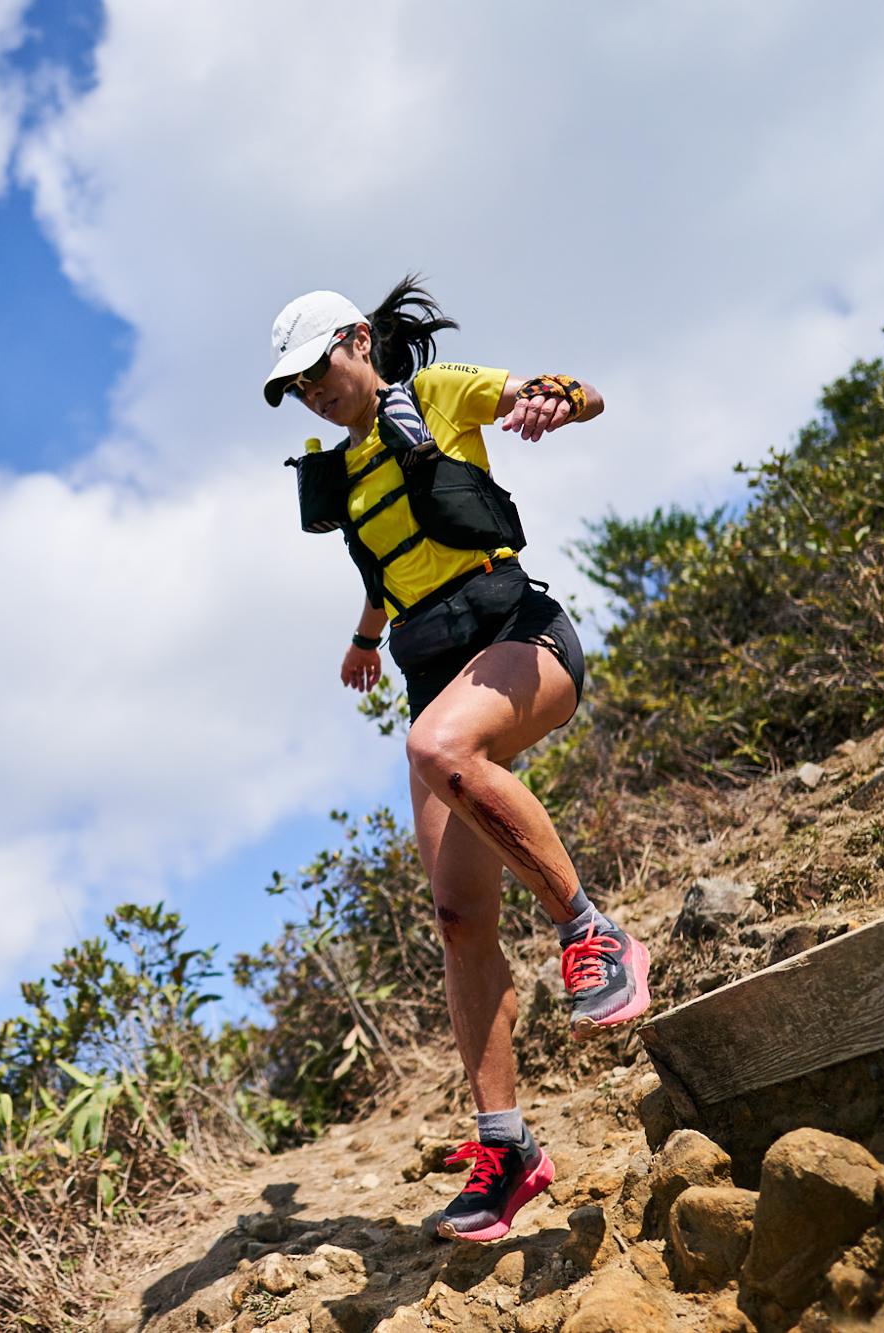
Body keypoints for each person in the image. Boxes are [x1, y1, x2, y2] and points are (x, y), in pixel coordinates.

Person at [263, 278, 651, 1243]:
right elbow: (383, 562)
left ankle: (595, 934)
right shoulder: (346, 465)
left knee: (439, 744)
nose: (311, 391)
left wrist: (557, 399)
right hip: (430, 671)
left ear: (359, 340)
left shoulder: (435, 398)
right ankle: (508, 1149)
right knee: (458, 914)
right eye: (293, 387)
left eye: (318, 369)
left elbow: (580, 391)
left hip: (524, 640)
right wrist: (363, 639)